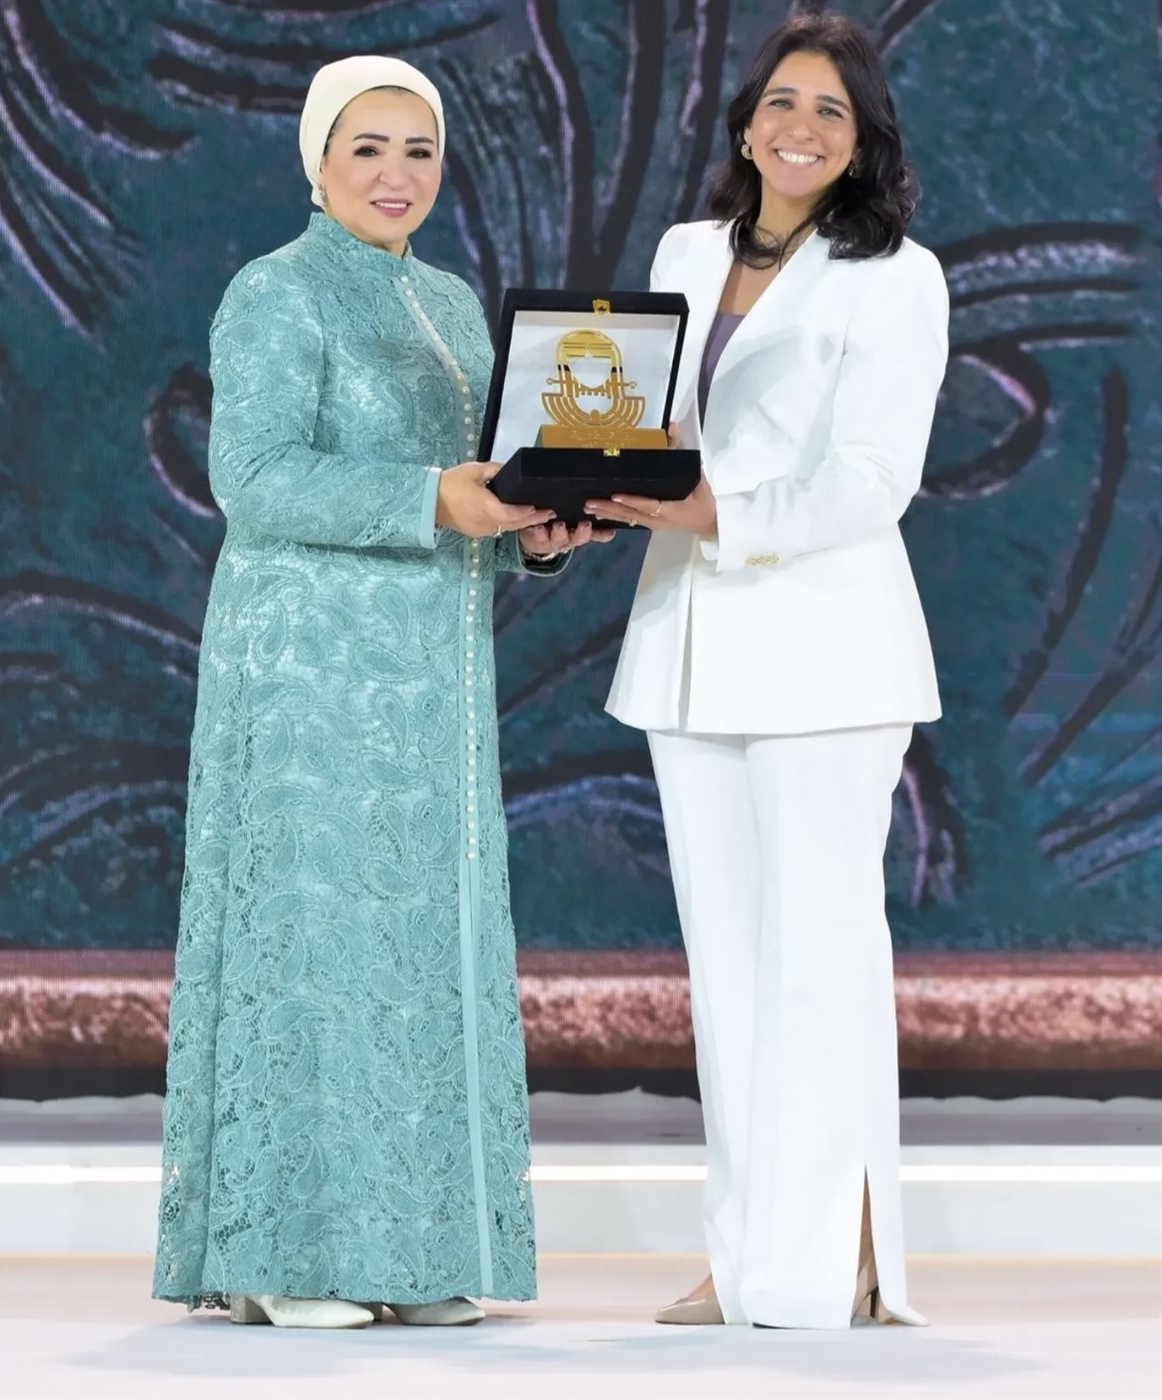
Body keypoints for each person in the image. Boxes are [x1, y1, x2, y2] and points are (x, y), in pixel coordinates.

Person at [152, 54, 608, 1330]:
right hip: (306, 674)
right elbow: (253, 479)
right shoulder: (276, 290)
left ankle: (411, 1252)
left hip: (429, 683)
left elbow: (480, 490)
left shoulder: (452, 304)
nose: (396, 173)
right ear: (318, 161)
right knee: (313, 934)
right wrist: (434, 498)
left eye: (419, 149)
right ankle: (286, 1254)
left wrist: (537, 535)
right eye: (368, 147)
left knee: (422, 945)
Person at [590, 13, 948, 1329]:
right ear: (746, 124)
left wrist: (714, 513)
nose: (801, 127)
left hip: (825, 655)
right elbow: (640, 423)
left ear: (861, 145)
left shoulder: (895, 275)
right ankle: (746, 1256)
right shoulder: (686, 253)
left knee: (819, 961)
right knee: (728, 970)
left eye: (830, 112)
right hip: (691, 650)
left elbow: (872, 479)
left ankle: (840, 1253)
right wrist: (586, 481)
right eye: (782, 103)